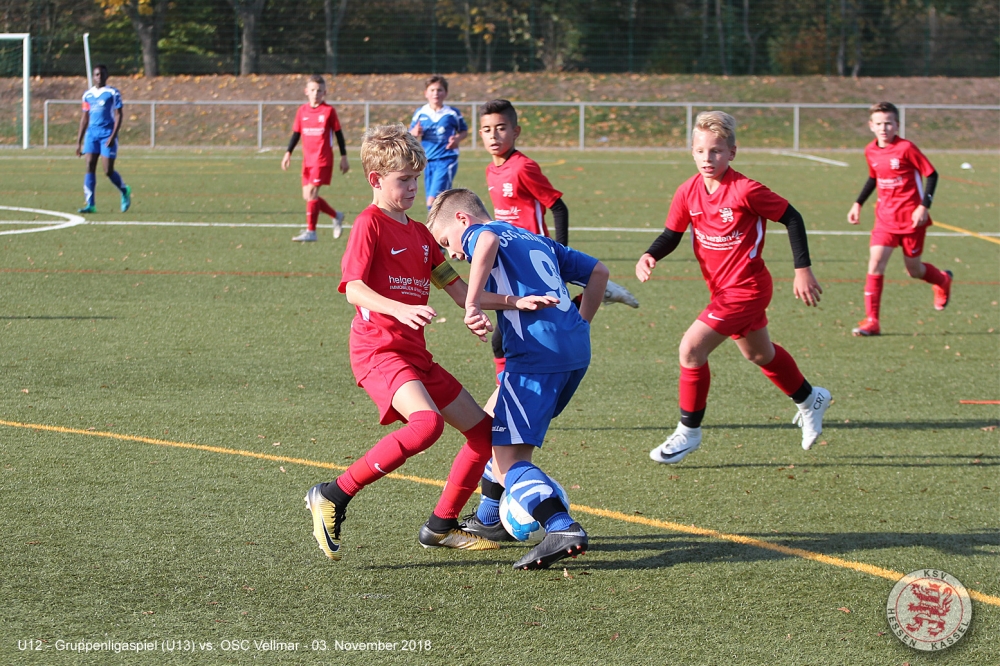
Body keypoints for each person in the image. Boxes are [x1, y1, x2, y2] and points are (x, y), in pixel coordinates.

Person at [305, 125, 556, 561]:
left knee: (484, 434)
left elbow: (459, 291)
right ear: (375, 179)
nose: (412, 188)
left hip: (415, 355)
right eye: (403, 179)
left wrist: (513, 302)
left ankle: (441, 526)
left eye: (415, 179)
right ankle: (332, 494)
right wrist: (399, 309)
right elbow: (353, 289)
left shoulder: (422, 235)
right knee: (426, 425)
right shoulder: (369, 224)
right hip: (378, 350)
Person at [426, 187, 609, 570]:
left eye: (447, 242)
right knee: (493, 422)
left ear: (463, 219)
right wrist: (582, 324)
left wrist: (472, 303)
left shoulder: (482, 233)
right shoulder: (533, 238)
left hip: (535, 357)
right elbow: (599, 272)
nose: (453, 254)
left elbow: (486, 240)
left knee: (509, 462)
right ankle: (490, 519)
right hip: (573, 351)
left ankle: (561, 527)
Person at [634, 111, 831, 463]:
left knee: (691, 349)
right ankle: (809, 398)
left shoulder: (746, 190)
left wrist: (802, 269)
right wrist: (650, 255)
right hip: (721, 290)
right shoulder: (688, 191)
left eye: (716, 151)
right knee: (759, 355)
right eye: (700, 151)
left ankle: (688, 432)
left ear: (732, 153)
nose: (707, 158)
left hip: (747, 288)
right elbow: (671, 234)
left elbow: (792, 217)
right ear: (692, 152)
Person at [478, 98, 639, 377]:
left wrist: (558, 255)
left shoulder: (523, 167)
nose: (494, 135)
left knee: (516, 333)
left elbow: (558, 207)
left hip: (534, 257)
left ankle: (509, 390)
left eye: (501, 128)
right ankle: (593, 295)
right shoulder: (491, 170)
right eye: (487, 129)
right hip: (511, 260)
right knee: (513, 332)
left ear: (516, 131)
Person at [847, 101, 951, 336]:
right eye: (879, 124)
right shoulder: (870, 150)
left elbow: (932, 174)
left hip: (912, 219)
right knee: (875, 263)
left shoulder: (906, 148)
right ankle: (872, 321)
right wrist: (858, 203)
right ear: (871, 125)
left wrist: (924, 206)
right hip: (885, 219)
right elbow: (874, 177)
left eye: (888, 123)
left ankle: (943, 280)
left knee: (914, 270)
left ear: (897, 125)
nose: (883, 128)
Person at [281, 75, 350, 242]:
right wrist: (288, 153)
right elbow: (296, 133)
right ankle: (336, 215)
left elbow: (339, 134)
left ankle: (311, 232)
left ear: (324, 93)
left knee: (312, 193)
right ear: (306, 91)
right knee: (308, 197)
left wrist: (344, 157)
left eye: (319, 91)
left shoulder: (328, 111)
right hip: (307, 160)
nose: (316, 93)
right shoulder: (302, 111)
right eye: (312, 90)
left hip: (322, 159)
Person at [75, 64, 130, 214]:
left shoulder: (113, 93)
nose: (99, 77)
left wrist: (113, 135)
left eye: (102, 74)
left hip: (107, 134)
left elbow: (119, 115)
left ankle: (124, 190)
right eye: (97, 74)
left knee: (107, 170)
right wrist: (79, 141)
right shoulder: (87, 95)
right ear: (93, 77)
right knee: (89, 165)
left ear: (107, 76)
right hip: (92, 135)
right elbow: (84, 118)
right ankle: (90, 205)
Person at [409, 76, 468, 210]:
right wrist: (414, 132)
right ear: (426, 93)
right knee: (439, 202)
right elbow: (410, 134)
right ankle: (446, 220)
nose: (436, 93)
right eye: (432, 90)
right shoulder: (420, 113)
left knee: (433, 200)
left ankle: (434, 224)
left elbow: (464, 131)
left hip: (446, 159)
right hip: (427, 161)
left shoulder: (452, 113)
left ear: (445, 93)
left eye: (439, 90)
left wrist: (457, 139)